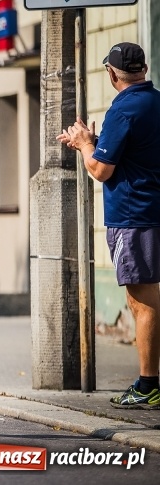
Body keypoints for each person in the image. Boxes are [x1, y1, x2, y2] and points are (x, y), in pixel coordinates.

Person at [57, 42, 160, 410]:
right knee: (149, 299)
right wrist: (91, 143)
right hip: (152, 210)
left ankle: (149, 385)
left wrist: (86, 145)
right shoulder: (154, 101)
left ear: (112, 74)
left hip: (134, 216)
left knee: (142, 302)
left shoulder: (123, 109)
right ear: (144, 70)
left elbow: (101, 170)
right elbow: (136, 152)